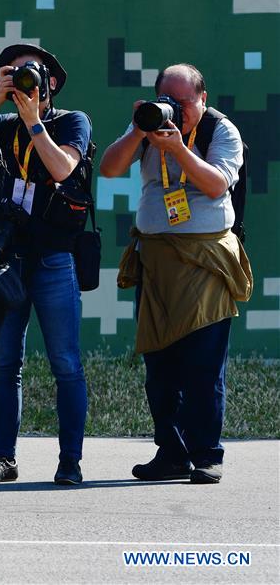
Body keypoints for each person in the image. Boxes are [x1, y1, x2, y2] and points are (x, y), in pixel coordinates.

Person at [99, 63, 251, 484]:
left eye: (182, 102)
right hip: (156, 260)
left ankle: (206, 453)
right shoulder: (149, 129)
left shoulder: (222, 132)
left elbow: (217, 185)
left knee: (203, 366)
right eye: (167, 99)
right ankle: (171, 452)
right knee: (160, 368)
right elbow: (109, 169)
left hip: (205, 260)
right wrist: (137, 129)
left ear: (202, 98)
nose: (175, 110)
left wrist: (177, 148)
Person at [0, 43, 91, 485]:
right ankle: (4, 457)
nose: (21, 82)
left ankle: (70, 461)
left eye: (28, 75)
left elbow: (61, 170)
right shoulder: (0, 124)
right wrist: (0, 99)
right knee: (4, 364)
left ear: (50, 83)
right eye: (11, 74)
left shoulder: (70, 122)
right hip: (8, 261)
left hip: (55, 259)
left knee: (65, 362)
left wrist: (33, 121)